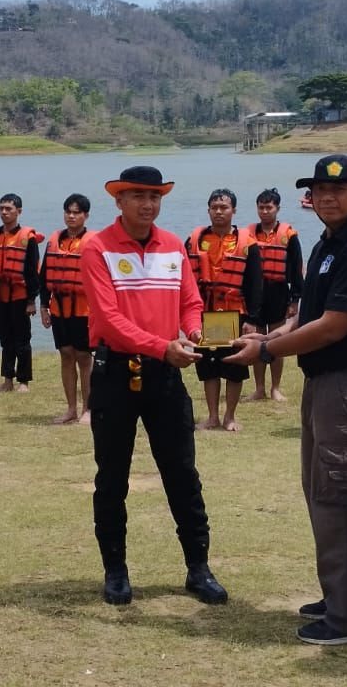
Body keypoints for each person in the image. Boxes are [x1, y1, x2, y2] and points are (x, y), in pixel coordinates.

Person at [226, 154, 347, 647]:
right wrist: (268, 334)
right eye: (319, 189)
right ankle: (339, 597)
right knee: (324, 494)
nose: (327, 196)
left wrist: (265, 350)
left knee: (346, 499)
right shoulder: (328, 244)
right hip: (326, 386)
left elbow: (334, 328)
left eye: (339, 189)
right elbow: (309, 317)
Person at [83, 165, 226, 607]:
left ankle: (198, 568)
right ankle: (116, 571)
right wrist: (163, 346)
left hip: (165, 377)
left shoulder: (172, 246)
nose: (148, 204)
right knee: (112, 478)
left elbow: (191, 302)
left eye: (155, 196)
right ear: (119, 201)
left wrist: (193, 333)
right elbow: (110, 320)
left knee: (183, 474)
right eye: (138, 196)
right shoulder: (97, 248)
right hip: (116, 376)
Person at [186, 188, 262, 431]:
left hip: (235, 313)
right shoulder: (195, 240)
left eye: (224, 207)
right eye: (214, 207)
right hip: (204, 313)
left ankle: (229, 416)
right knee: (208, 365)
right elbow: (185, 278)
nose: (219, 212)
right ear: (208, 210)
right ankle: (212, 416)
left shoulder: (248, 243)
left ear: (234, 211)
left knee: (234, 365)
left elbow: (255, 283)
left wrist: (252, 318)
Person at [38, 193, 94, 425]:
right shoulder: (54, 241)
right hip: (59, 308)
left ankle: (88, 410)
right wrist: (43, 306)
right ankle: (70, 408)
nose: (71, 216)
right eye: (68, 212)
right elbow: (44, 277)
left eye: (76, 212)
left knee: (83, 356)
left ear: (85, 215)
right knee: (65, 355)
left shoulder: (93, 242)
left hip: (84, 309)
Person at [244, 188, 302, 402]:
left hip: (279, 291)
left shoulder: (289, 235)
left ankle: (275, 388)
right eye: (261, 207)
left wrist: (295, 299)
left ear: (277, 208)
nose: (265, 211)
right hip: (255, 293)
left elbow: (296, 269)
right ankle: (259, 388)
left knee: (276, 340)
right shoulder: (247, 235)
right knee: (258, 340)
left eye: (269, 207)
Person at [0, 193, 44, 393]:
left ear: (18, 211)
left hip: (20, 296)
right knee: (5, 338)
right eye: (1, 208)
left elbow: (33, 271)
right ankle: (7, 380)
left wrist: (31, 300)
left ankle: (23, 381)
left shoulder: (28, 238)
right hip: (0, 296)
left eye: (8, 209)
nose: (4, 212)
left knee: (22, 339)